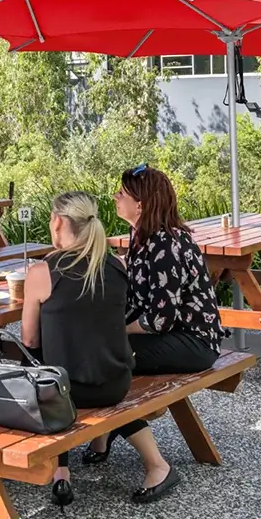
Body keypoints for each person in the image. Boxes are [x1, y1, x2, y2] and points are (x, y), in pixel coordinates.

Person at [82, 165, 227, 503]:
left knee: (107, 360)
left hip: (193, 341)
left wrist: (114, 332)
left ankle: (158, 466)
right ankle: (105, 433)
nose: (115, 197)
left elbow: (159, 319)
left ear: (141, 204)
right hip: (173, 334)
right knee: (98, 351)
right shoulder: (143, 237)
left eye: (122, 193)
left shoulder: (166, 244)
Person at [21, 191, 175, 507]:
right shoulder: (116, 265)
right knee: (65, 369)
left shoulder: (41, 272)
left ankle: (61, 471)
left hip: (67, 393)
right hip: (116, 382)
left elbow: (29, 340)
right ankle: (152, 463)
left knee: (40, 367)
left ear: (57, 222)